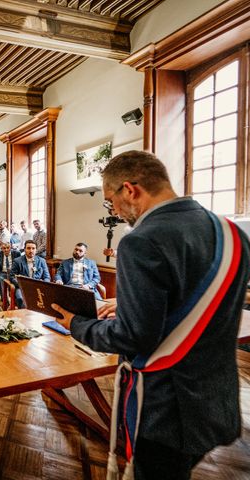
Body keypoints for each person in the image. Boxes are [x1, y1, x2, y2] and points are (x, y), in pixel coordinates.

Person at [51, 151, 250, 480]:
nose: (113, 211)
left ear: (130, 189)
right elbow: (202, 299)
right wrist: (129, 302)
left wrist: (77, 324)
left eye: (110, 201)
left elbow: (132, 337)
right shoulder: (233, 234)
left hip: (167, 408)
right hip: (218, 399)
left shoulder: (142, 242)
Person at [10, 240, 50, 308]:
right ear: (24, 249)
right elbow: (12, 276)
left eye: (33, 248)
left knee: (47, 300)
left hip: (38, 287)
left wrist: (43, 285)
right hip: (22, 287)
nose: (31, 251)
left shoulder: (42, 261)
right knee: (21, 299)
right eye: (28, 248)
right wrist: (22, 284)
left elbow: (47, 277)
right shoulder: (17, 261)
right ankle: (23, 316)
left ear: (36, 250)